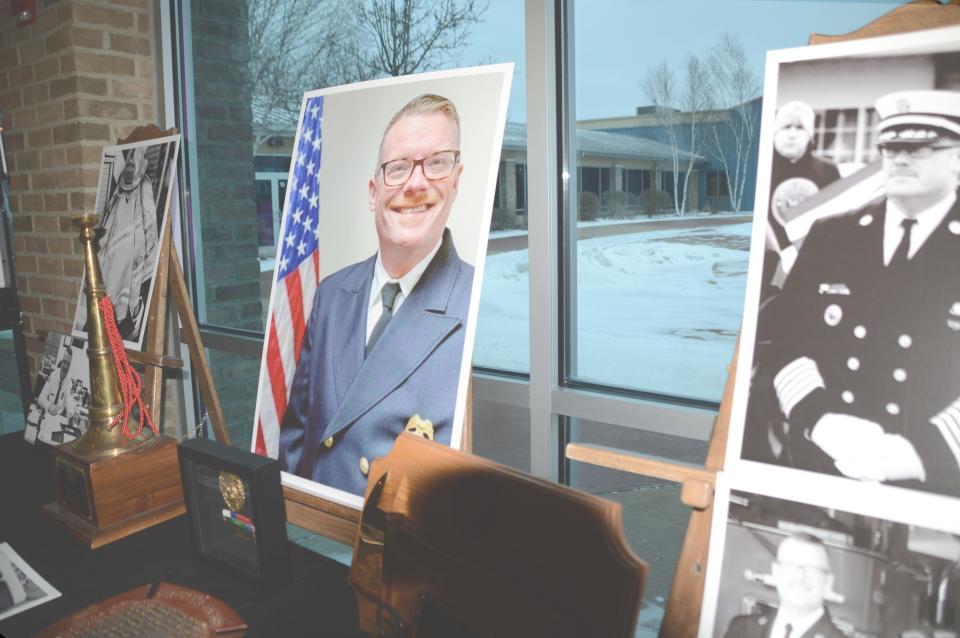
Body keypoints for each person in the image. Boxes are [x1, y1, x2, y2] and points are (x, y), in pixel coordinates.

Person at [751, 90, 960, 497]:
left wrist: (917, 452)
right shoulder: (830, 235)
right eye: (891, 146)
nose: (900, 158)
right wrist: (819, 419)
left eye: (920, 147)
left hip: (928, 480)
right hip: (820, 460)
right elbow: (787, 338)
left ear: (957, 157)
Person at [278, 94, 474, 496]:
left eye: (436, 163)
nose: (415, 183)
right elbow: (297, 440)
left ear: (456, 181)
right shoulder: (332, 294)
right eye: (398, 168)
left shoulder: (473, 305)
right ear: (373, 192)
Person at [764, 101, 841, 297]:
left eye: (799, 128)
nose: (792, 133)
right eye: (786, 127)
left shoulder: (828, 170)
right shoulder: (761, 170)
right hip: (767, 264)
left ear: (810, 135)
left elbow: (837, 221)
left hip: (812, 262)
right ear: (774, 132)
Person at [724, 534, 845, 638]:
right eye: (790, 566)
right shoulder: (741, 629)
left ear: (828, 582)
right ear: (775, 572)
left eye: (812, 570)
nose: (800, 578)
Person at [98, 147, 158, 340]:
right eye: (128, 168)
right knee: (107, 273)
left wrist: (150, 247)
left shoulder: (145, 185)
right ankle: (109, 318)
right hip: (116, 240)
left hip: (132, 243)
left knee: (123, 275)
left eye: (133, 168)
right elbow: (111, 206)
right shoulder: (122, 186)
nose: (130, 173)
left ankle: (121, 318)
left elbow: (149, 220)